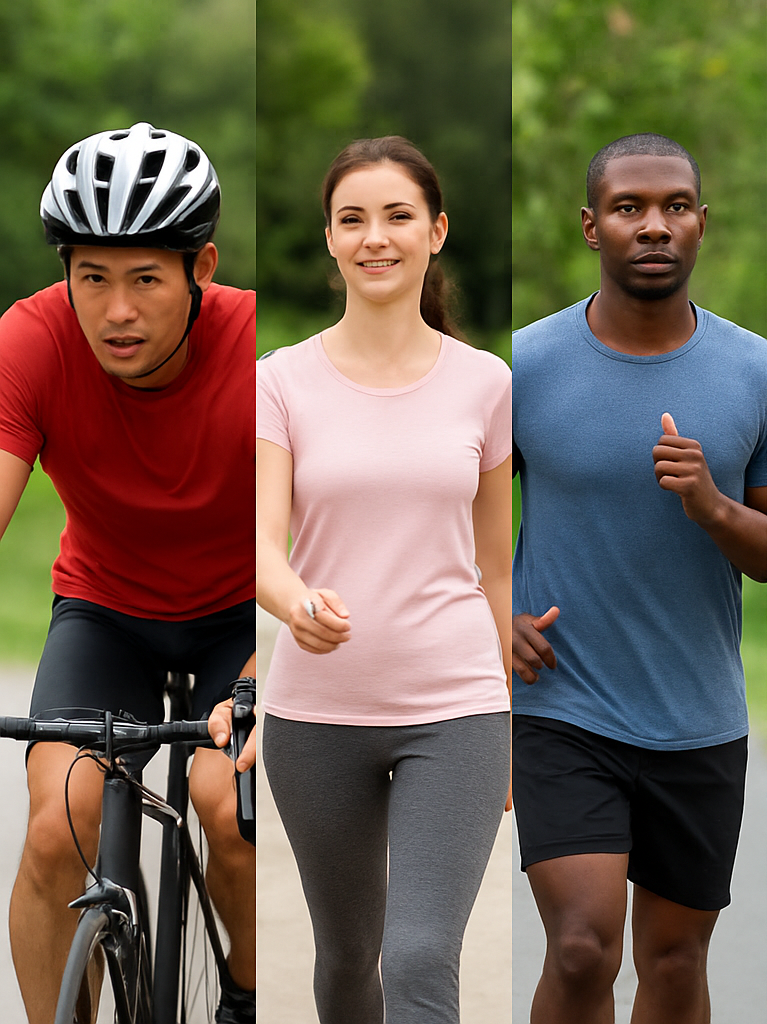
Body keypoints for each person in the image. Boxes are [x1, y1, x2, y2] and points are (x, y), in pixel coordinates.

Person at [0, 122, 256, 1024]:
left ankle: (247, 998)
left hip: (244, 617)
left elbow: (324, 538)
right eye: (92, 278)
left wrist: (279, 677)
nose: (116, 311)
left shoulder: (258, 354)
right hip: (106, 611)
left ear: (201, 268)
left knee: (229, 807)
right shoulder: (31, 340)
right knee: (55, 826)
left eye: (145, 278)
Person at [511, 133, 767, 1024]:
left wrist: (714, 507)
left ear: (702, 223)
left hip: (698, 716)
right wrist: (491, 610)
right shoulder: (524, 366)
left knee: (674, 960)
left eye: (675, 207)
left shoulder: (751, 370)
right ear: (592, 226)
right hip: (562, 708)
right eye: (630, 208)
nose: (654, 226)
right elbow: (453, 519)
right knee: (582, 946)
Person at [256, 135, 511, 1024]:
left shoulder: (486, 383)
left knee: (419, 956)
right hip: (316, 716)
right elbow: (261, 546)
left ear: (435, 232)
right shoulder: (280, 380)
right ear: (329, 238)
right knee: (346, 961)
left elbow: (497, 566)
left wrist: (516, 716)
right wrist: (295, 602)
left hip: (458, 709)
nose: (376, 237)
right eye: (352, 219)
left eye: (398, 216)